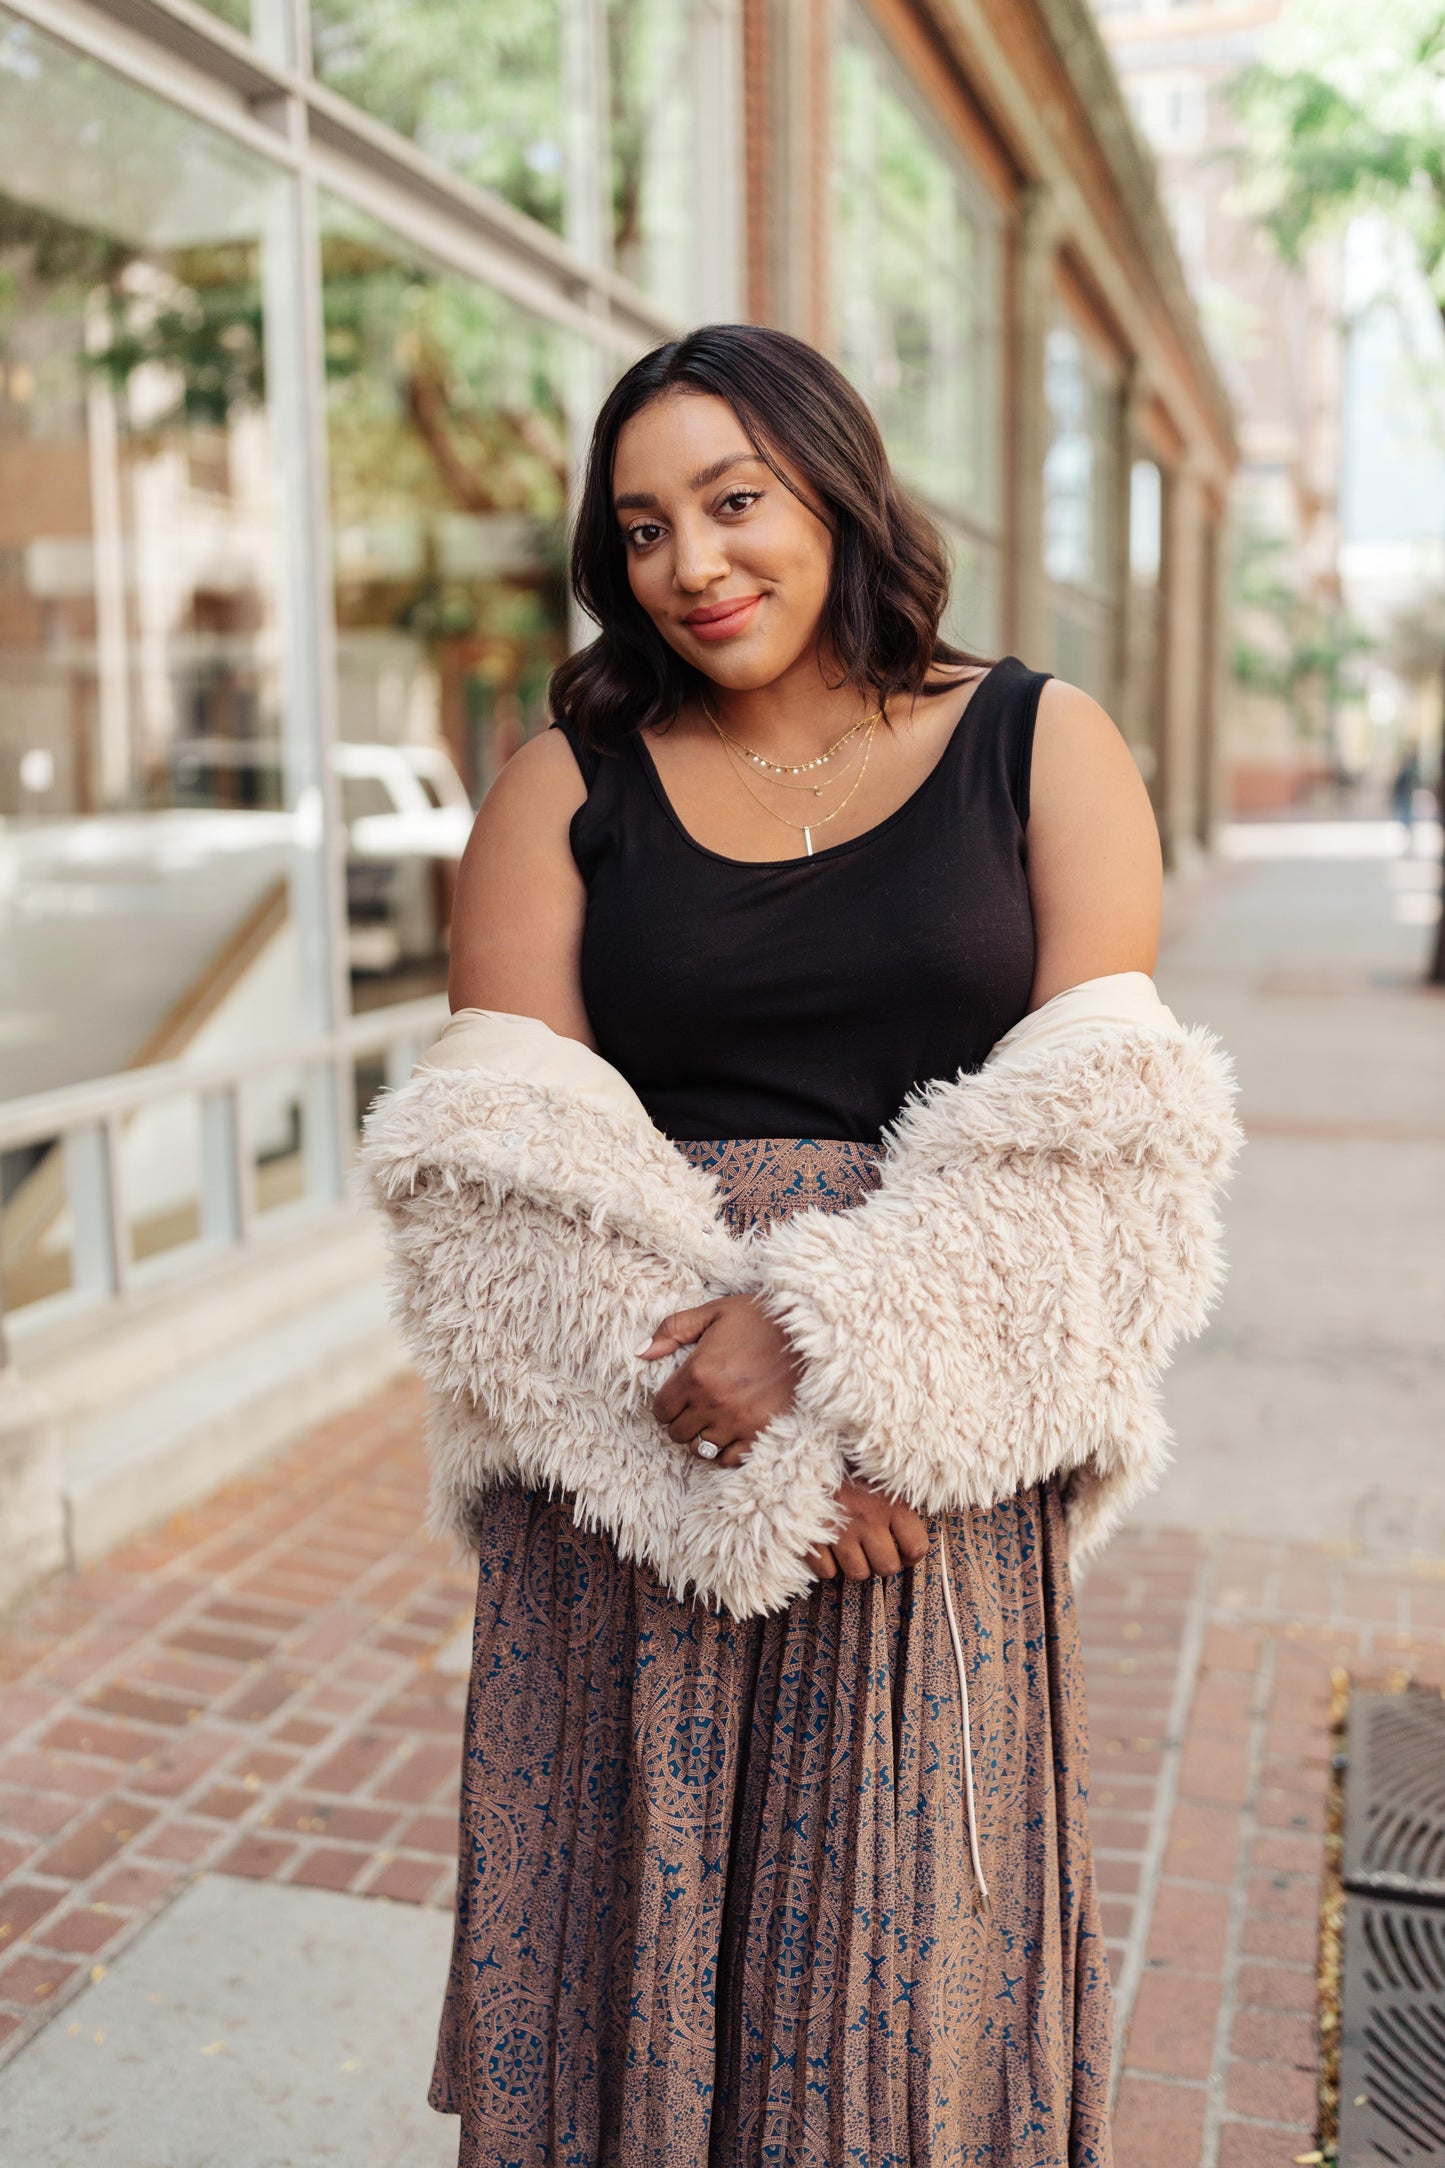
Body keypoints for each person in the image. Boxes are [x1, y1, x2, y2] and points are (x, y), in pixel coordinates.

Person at [363, 323, 1238, 2166]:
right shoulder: (564, 783)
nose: (694, 562)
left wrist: (850, 1363)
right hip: (632, 1472)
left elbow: (1115, 1152)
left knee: (897, 2004)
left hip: (935, 1493)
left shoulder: (1038, 743)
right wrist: (728, 1430)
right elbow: (486, 1176)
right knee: (629, 1980)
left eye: (734, 501)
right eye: (645, 526)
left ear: (835, 491)